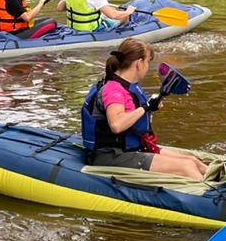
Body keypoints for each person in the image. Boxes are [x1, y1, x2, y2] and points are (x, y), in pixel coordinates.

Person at [80, 38, 208, 179]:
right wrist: (145, 107)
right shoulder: (113, 90)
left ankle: (221, 185)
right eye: (148, 62)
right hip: (112, 155)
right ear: (139, 63)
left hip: (133, 148)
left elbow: (134, 118)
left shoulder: (128, 86)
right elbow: (116, 125)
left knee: (192, 161)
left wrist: (150, 108)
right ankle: (209, 192)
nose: (148, 67)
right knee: (186, 167)